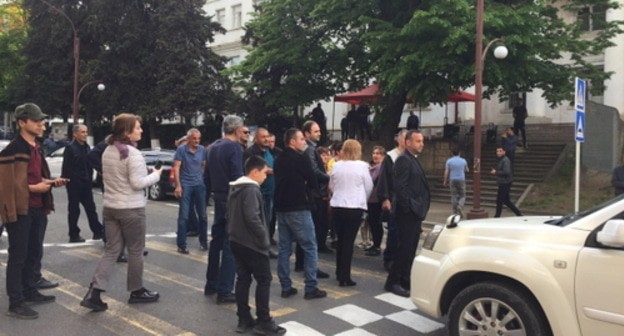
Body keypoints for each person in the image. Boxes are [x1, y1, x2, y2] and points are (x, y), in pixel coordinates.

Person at [80, 113, 162, 312]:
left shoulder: (108, 149)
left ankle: (95, 292)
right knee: (135, 250)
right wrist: (155, 175)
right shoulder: (133, 154)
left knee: (111, 250)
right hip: (131, 208)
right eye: (137, 128)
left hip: (111, 207)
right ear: (126, 132)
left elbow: (118, 175)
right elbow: (137, 183)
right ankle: (137, 290)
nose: (141, 130)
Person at [0, 103, 69, 319]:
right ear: (22, 122)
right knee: (18, 256)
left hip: (38, 207)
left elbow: (32, 177)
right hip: (20, 209)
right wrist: (34, 188)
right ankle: (16, 303)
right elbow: (6, 184)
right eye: (36, 120)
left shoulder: (36, 147)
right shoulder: (13, 149)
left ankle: (30, 290)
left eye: (42, 120)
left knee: (33, 252)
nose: (42, 124)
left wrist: (50, 182)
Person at [228, 155, 287, 336]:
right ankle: (264, 321)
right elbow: (252, 217)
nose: (266, 177)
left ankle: (244, 318)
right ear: (254, 172)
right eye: (263, 173)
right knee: (264, 280)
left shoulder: (235, 188)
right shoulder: (252, 190)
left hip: (236, 239)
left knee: (243, 279)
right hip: (252, 243)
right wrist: (264, 239)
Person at [274, 128, 327, 300]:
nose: (304, 142)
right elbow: (313, 179)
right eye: (301, 139)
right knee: (310, 246)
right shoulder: (300, 159)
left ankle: (285, 286)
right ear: (292, 142)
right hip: (298, 207)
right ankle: (311, 287)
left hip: (281, 208)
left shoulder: (279, 158)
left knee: (284, 248)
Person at [204, 115, 247, 304]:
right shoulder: (234, 147)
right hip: (231, 197)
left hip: (218, 196)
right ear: (237, 130)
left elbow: (206, 175)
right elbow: (237, 176)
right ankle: (225, 290)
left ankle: (211, 283)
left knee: (216, 241)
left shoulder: (213, 147)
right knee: (231, 245)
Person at [384, 130, 430, 298]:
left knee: (410, 249)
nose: (421, 144)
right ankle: (393, 281)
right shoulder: (403, 160)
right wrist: (408, 207)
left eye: (422, 141)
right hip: (407, 213)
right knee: (404, 248)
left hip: (414, 212)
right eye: (418, 141)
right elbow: (400, 187)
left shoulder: (412, 159)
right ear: (408, 142)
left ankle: (404, 278)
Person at [329, 140, 373, 287]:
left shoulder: (336, 165)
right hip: (354, 207)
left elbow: (331, 185)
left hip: (337, 205)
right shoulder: (362, 166)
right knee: (349, 242)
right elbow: (369, 186)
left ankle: (338, 271)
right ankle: (345, 276)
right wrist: (362, 199)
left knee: (341, 240)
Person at [62, 124, 104, 243]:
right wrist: (67, 181)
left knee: (91, 208)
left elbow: (91, 164)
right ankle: (74, 234)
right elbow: (66, 168)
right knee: (74, 210)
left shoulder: (87, 148)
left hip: (86, 183)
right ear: (75, 134)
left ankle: (97, 231)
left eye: (86, 132)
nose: (85, 134)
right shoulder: (70, 148)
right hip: (74, 184)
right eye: (82, 132)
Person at [243, 127, 279, 259]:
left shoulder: (269, 151)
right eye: (263, 137)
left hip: (270, 192)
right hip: (258, 192)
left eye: (267, 136)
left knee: (267, 221)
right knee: (258, 221)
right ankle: (257, 248)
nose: (266, 139)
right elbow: (251, 170)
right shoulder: (251, 152)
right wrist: (269, 171)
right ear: (256, 138)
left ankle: (264, 246)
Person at [173, 128, 208, 254]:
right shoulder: (181, 150)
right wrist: (178, 186)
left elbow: (204, 164)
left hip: (199, 185)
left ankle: (203, 242)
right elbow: (176, 167)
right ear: (188, 139)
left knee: (203, 216)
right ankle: (181, 245)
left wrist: (201, 177)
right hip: (186, 185)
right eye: (194, 139)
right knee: (184, 216)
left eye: (198, 138)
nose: (196, 141)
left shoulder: (202, 149)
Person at [377, 129, 407, 271]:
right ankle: (389, 258)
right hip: (394, 199)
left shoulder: (410, 156)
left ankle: (401, 259)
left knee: (404, 232)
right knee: (393, 231)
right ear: (399, 140)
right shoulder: (390, 156)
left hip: (407, 200)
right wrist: (385, 198)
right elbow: (384, 179)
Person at [174, 135, 199, 236]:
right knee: (187, 208)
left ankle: (193, 228)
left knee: (187, 208)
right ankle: (189, 228)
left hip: (187, 183)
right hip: (186, 183)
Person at [365, 145, 385, 256]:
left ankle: (377, 246)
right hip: (370, 199)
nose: (375, 155)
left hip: (377, 199)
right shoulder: (373, 168)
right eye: (374, 153)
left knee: (376, 223)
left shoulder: (380, 168)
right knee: (372, 222)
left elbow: (371, 181)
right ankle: (374, 244)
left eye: (378, 153)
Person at [491, 146, 523, 218]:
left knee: (499, 200)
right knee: (506, 201)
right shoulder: (502, 159)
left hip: (505, 182)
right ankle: (519, 214)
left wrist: (496, 172)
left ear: (504, 152)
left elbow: (507, 172)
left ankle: (497, 216)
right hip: (504, 182)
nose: (498, 153)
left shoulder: (505, 160)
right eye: (497, 151)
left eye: (500, 151)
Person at [443, 149, 469, 218]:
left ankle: (454, 211)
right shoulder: (463, 160)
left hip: (452, 179)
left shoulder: (449, 161)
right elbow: (467, 170)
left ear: (452, 153)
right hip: (461, 179)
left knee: (454, 195)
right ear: (459, 153)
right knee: (462, 195)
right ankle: (460, 206)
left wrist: (445, 181)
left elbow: (446, 171)